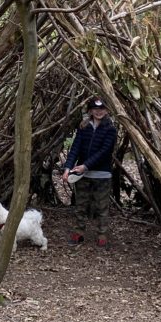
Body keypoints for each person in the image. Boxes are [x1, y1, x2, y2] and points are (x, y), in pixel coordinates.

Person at [62, 97, 117, 247]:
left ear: (106, 111)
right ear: (91, 111)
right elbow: (75, 148)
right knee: (80, 205)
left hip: (102, 175)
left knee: (102, 206)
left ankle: (102, 234)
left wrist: (85, 165)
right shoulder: (84, 127)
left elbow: (104, 152)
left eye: (102, 109)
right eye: (95, 109)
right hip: (82, 175)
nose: (99, 112)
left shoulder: (110, 129)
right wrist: (68, 168)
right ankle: (78, 233)